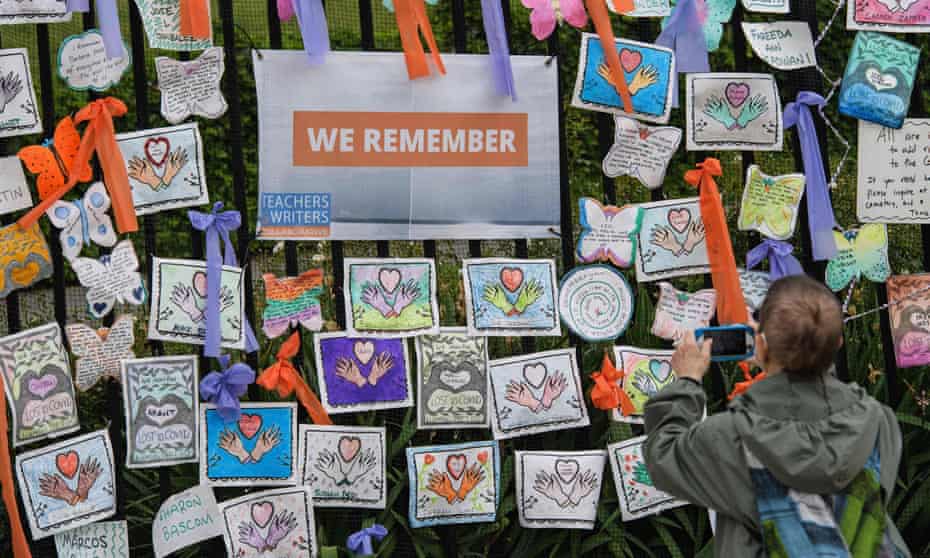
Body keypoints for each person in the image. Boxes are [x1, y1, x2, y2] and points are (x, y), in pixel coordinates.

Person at [644, 275, 909, 557]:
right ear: (838, 342)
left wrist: (687, 380)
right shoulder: (879, 422)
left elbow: (664, 455)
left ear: (761, 344)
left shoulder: (731, 436)